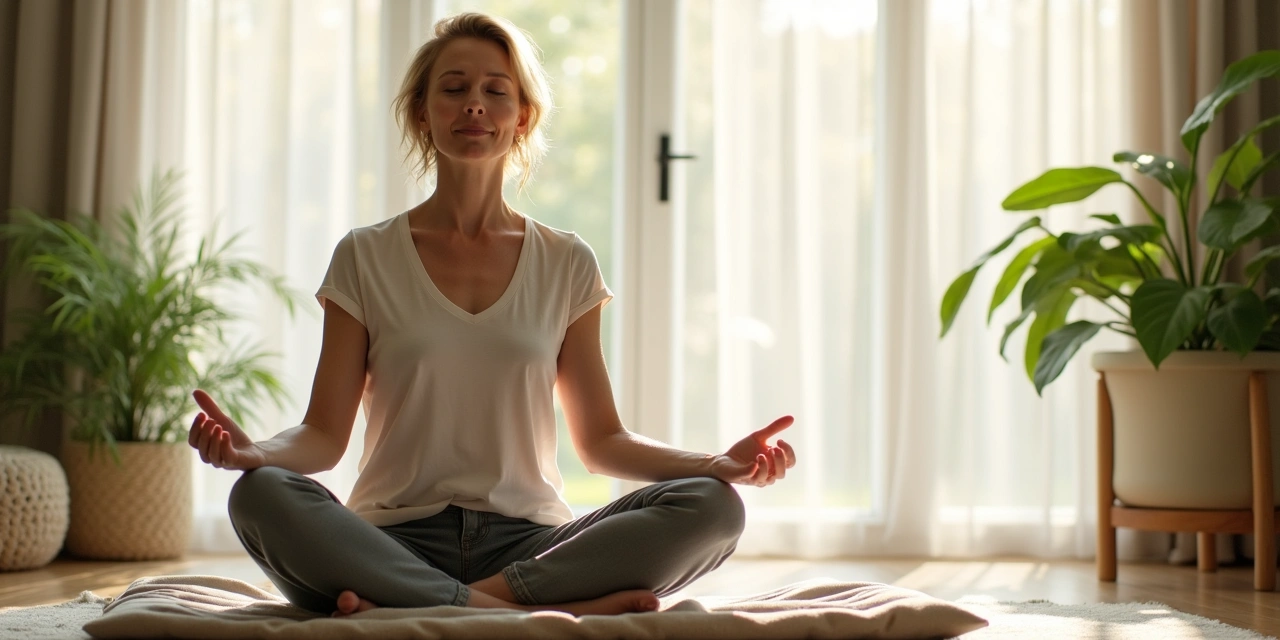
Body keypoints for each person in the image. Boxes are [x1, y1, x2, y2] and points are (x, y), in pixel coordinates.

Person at [187, 11, 797, 618]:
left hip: (529, 545)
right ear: (422, 113)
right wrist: (257, 453)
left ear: (522, 116)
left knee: (715, 507)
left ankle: (437, 604)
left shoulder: (566, 261)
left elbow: (602, 442)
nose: (474, 104)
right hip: (391, 542)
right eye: (453, 88)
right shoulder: (364, 255)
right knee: (260, 495)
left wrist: (714, 464)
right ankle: (520, 609)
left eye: (495, 91)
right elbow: (322, 436)